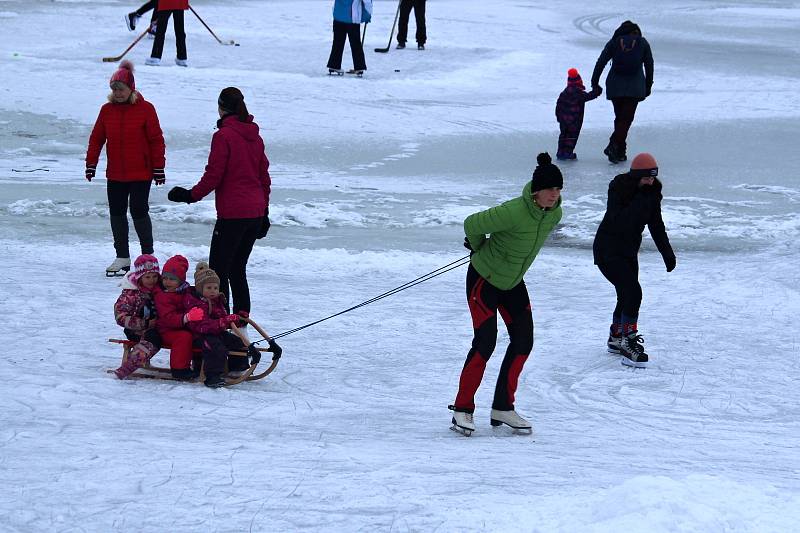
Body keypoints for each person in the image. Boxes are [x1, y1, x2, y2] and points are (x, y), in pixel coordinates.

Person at [449, 153, 564, 436]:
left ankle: (503, 406)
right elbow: (472, 224)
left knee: (524, 341)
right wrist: (478, 248)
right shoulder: (513, 211)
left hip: (512, 283)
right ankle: (463, 409)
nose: (555, 195)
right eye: (550, 189)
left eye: (559, 189)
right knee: (485, 341)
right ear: (536, 190)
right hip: (484, 280)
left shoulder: (555, 214)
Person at [168, 88, 271, 320]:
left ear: (221, 108)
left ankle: (220, 322)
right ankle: (242, 319)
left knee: (218, 271)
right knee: (238, 269)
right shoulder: (255, 136)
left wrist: (190, 195)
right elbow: (264, 177)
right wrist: (264, 212)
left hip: (233, 214)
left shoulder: (223, 136)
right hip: (254, 213)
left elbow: (214, 175)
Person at [593, 153, 676, 368]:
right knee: (633, 292)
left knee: (625, 294)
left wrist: (667, 253)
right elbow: (618, 220)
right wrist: (640, 200)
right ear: (636, 176)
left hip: (628, 252)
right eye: (646, 178)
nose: (650, 181)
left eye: (652, 178)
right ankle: (628, 342)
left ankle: (616, 338)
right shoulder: (619, 188)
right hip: (607, 250)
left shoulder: (652, 194)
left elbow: (656, 225)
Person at [86, 60, 166, 277]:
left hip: (141, 172)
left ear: (131, 88)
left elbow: (156, 140)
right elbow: (96, 139)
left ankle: (147, 256)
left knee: (139, 210)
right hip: (116, 173)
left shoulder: (146, 109)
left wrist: (159, 167)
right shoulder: (107, 110)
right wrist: (91, 164)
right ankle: (122, 257)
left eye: (121, 89)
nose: (117, 93)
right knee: (117, 213)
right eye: (114, 89)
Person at [590, 20, 653, 164]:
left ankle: (619, 151)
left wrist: (595, 82)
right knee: (625, 120)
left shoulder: (614, 42)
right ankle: (613, 145)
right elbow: (650, 65)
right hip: (635, 88)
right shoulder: (642, 43)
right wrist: (648, 86)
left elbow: (601, 62)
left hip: (615, 86)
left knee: (620, 119)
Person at [183, 263, 248, 388]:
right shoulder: (196, 303)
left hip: (216, 332)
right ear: (200, 288)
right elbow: (203, 325)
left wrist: (238, 318)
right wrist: (223, 322)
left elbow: (224, 320)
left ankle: (236, 365)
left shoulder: (217, 301)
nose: (213, 291)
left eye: (215, 288)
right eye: (208, 288)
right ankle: (212, 376)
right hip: (200, 335)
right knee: (216, 348)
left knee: (237, 341)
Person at [113, 255, 163, 379]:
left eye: (155, 276)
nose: (152, 280)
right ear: (140, 277)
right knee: (153, 338)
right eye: (147, 277)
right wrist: (144, 323)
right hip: (135, 329)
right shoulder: (131, 293)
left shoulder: (159, 290)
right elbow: (120, 316)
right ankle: (128, 367)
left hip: (156, 327)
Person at [154, 255, 203, 380]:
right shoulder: (162, 296)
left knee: (200, 333)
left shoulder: (186, 291)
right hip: (166, 330)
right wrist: (186, 318)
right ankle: (179, 370)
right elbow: (167, 318)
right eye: (165, 278)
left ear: (181, 280)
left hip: (183, 326)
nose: (167, 282)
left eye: (172, 279)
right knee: (184, 337)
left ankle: (200, 364)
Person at [555, 68, 602, 160]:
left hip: (563, 120)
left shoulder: (563, 93)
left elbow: (558, 105)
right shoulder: (579, 94)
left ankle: (560, 151)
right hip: (575, 121)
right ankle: (568, 153)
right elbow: (589, 96)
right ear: (579, 83)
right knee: (571, 137)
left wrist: (559, 117)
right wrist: (597, 91)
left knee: (563, 135)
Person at [326, 0, 372, 75]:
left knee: (337, 42)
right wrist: (368, 15)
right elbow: (367, 2)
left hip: (338, 16)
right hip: (352, 18)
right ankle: (359, 67)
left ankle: (334, 65)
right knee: (356, 43)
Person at [146, 0, 189, 67]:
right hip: (180, 2)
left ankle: (155, 57)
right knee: (179, 29)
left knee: (161, 30)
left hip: (166, 2)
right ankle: (182, 57)